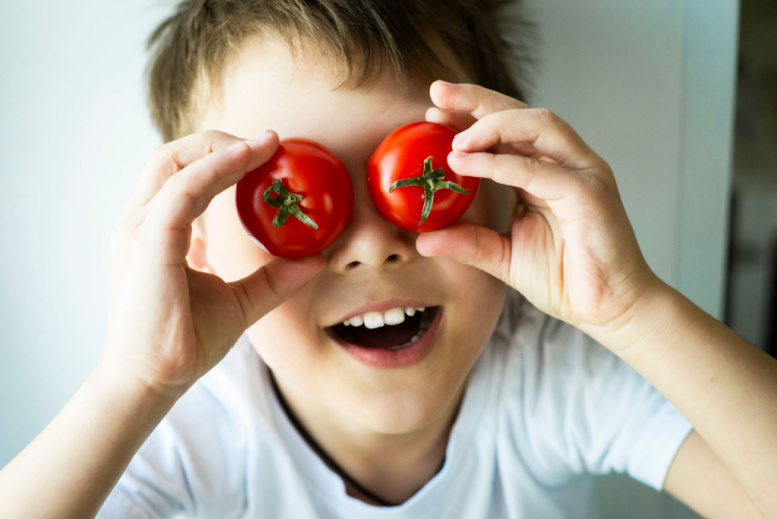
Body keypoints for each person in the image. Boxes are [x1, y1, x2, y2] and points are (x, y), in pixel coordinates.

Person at [1, 0, 776, 517]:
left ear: (510, 195)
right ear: (197, 245)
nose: (372, 244)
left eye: (426, 177)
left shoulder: (548, 374)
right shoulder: (203, 432)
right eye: (285, 198)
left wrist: (632, 310)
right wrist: (134, 383)